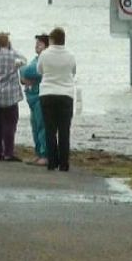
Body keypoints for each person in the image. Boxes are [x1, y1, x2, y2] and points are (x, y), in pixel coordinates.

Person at [38, 27, 76, 172]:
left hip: (47, 93)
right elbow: (73, 71)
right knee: (64, 130)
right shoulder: (70, 55)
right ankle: (64, 163)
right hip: (66, 94)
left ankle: (52, 162)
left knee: (50, 130)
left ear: (52, 40)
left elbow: (39, 70)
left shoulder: (44, 54)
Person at [0, 32, 26, 162]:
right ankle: (8, 152)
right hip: (9, 95)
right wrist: (11, 48)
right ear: (8, 42)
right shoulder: (13, 54)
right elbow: (24, 61)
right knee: (9, 125)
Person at [20, 34, 49, 166]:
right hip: (32, 98)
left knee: (42, 126)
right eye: (36, 43)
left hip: (40, 97)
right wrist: (25, 73)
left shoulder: (45, 60)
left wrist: (23, 70)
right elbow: (24, 75)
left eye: (40, 43)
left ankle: (44, 154)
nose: (37, 45)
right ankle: (38, 153)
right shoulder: (36, 59)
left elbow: (29, 71)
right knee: (35, 127)